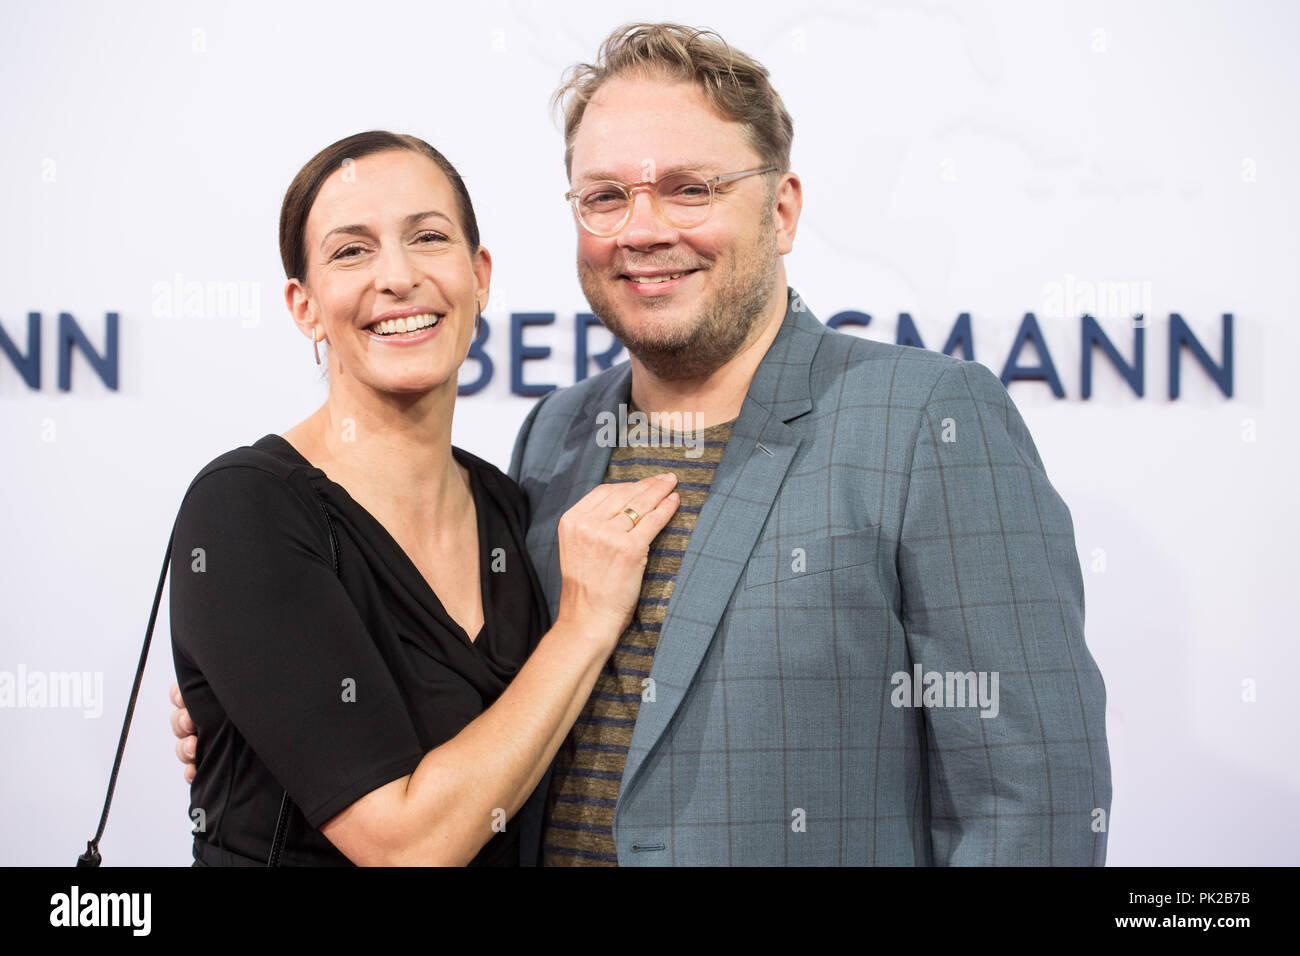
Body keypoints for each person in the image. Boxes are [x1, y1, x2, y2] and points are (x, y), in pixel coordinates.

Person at [176, 23, 1112, 866]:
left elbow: (1029, 803)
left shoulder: (925, 423)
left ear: (782, 211)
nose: (644, 230)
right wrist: (252, 721)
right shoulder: (554, 438)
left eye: (690, 188)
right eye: (606, 197)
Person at [167, 129, 680, 866]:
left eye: (428, 238)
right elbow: (407, 847)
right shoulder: (247, 508)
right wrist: (584, 623)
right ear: (304, 306)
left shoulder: (508, 503)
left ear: (480, 276)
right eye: (352, 250)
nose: (397, 277)